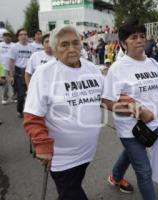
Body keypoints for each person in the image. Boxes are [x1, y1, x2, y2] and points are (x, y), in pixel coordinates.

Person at [23, 25, 104, 200]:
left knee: (71, 189)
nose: (72, 49)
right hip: (62, 157)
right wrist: (42, 145)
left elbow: (106, 97)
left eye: (75, 43)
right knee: (72, 193)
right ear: (54, 49)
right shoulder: (44, 74)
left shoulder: (92, 69)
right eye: (64, 45)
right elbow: (32, 116)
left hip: (87, 152)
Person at [102, 20, 158, 200]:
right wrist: (134, 109)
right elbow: (106, 102)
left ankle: (115, 176)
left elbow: (155, 93)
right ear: (123, 43)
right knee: (144, 171)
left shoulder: (154, 63)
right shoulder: (118, 68)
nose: (139, 40)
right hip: (130, 129)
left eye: (142, 36)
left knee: (129, 154)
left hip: (154, 125)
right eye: (134, 37)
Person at [8, 28, 34, 118]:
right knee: (21, 94)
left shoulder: (32, 47)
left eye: (25, 34)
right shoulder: (14, 47)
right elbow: (11, 62)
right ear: (18, 37)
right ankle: (20, 110)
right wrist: (11, 76)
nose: (24, 36)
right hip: (19, 72)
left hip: (30, 72)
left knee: (32, 92)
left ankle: (31, 111)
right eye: (21, 34)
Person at [0, 31, 13, 105]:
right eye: (5, 36)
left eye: (8, 36)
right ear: (3, 37)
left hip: (12, 67)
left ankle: (14, 96)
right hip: (2, 67)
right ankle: (4, 98)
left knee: (13, 82)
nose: (7, 37)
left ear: (11, 37)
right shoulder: (0, 45)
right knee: (4, 83)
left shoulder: (14, 45)